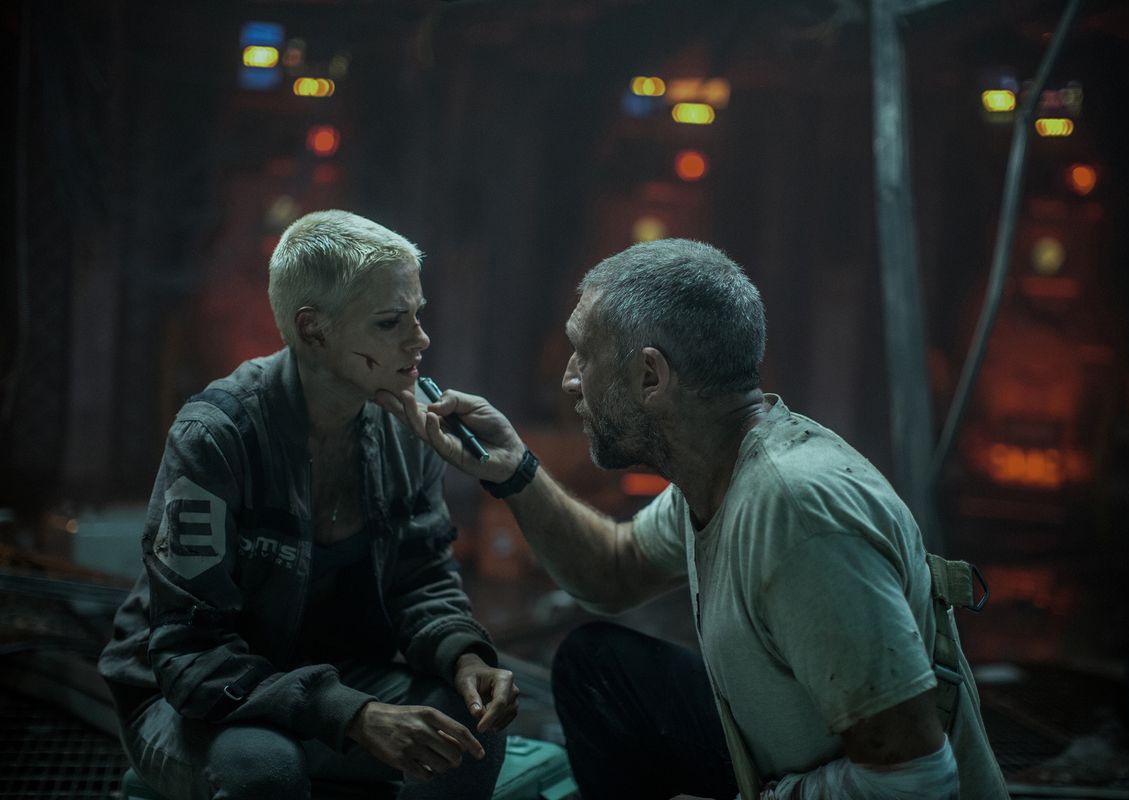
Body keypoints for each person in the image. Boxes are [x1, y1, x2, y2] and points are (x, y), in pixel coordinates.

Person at [377, 238, 1009, 799]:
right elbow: (613, 572)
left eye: (583, 356)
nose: (569, 381)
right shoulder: (716, 467)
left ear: (650, 376)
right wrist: (513, 471)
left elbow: (914, 781)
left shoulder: (797, 510)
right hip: (783, 759)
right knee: (599, 667)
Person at [99, 210, 517, 800]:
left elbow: (421, 578)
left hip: (333, 677)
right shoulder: (217, 436)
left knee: (467, 733)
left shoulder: (403, 426)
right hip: (198, 699)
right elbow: (190, 656)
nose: (420, 339)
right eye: (391, 321)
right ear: (313, 329)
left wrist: (465, 658)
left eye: (417, 315)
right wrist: (353, 715)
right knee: (264, 768)